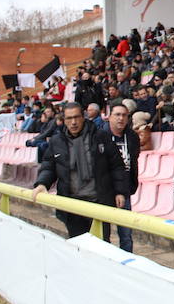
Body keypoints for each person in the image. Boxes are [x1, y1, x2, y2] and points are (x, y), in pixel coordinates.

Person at [31, 102, 129, 239]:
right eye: (69, 119)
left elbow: (116, 165)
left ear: (83, 117)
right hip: (72, 205)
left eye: (76, 117)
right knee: (78, 247)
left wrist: (120, 192)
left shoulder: (100, 136)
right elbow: (49, 165)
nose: (74, 122)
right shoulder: (56, 141)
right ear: (63, 120)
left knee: (101, 246)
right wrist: (42, 183)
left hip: (98, 203)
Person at [104, 103, 139, 253]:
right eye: (117, 114)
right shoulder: (101, 136)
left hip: (124, 189)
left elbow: (134, 161)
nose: (121, 118)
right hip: (104, 190)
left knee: (126, 234)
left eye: (124, 115)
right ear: (109, 117)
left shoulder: (132, 137)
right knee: (103, 233)